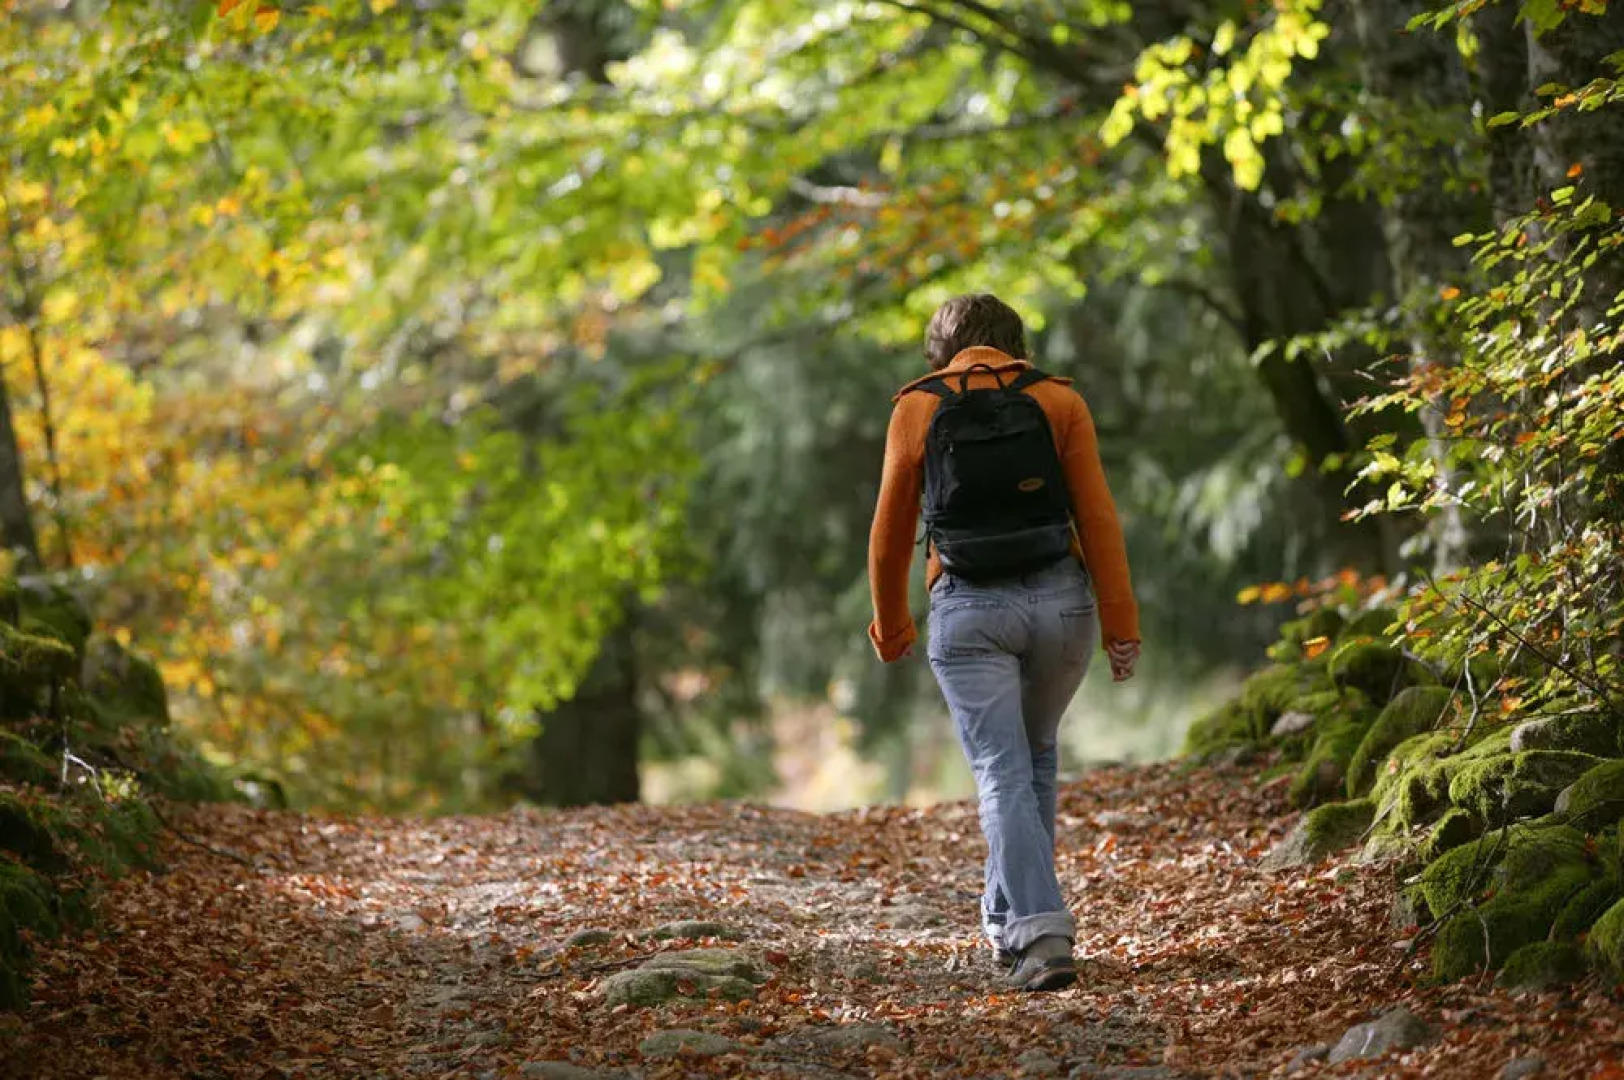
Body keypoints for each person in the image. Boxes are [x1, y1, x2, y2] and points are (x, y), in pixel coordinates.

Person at [866, 293, 1140, 992]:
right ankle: (1005, 913)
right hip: (1061, 604)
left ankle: (1044, 933)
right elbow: (1098, 516)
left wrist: (891, 624)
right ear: (1016, 344)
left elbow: (890, 532)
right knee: (1031, 755)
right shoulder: (1057, 401)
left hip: (967, 610)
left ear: (941, 350)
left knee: (1000, 770)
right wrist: (1121, 625)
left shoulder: (918, 406)